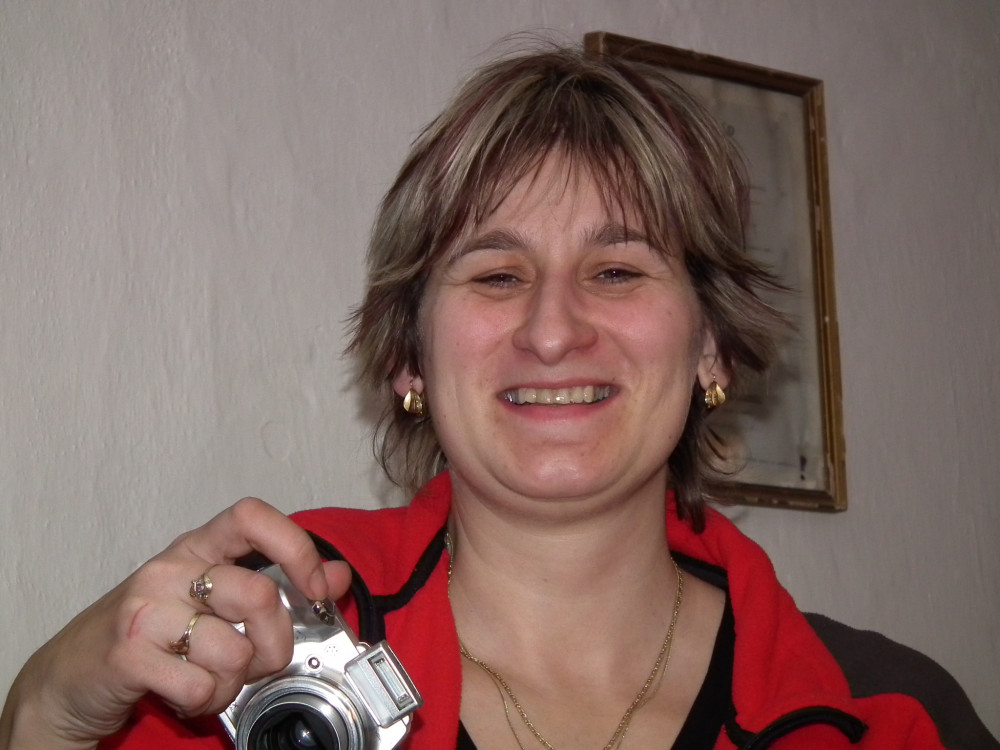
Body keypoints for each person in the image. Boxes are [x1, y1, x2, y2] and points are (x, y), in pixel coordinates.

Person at [0, 42, 947, 750]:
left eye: (617, 271)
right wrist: (44, 714)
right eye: (496, 275)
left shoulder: (888, 715)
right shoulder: (238, 669)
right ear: (409, 359)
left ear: (711, 345)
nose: (552, 330)